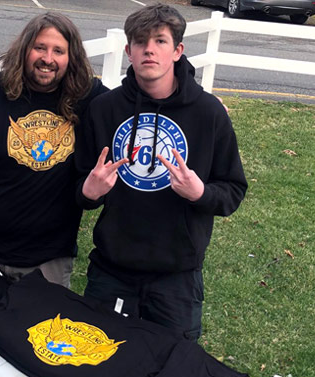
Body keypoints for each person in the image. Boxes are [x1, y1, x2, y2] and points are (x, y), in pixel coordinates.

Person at [76, 3, 248, 341]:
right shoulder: (104, 110)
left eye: (160, 41)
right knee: (98, 365)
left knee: (170, 373)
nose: (149, 49)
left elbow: (232, 191)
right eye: (140, 42)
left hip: (177, 276)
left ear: (178, 50)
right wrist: (88, 192)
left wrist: (200, 193)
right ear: (128, 51)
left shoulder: (208, 114)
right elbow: (77, 185)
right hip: (112, 270)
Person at [0, 12, 107, 287]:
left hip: (49, 259)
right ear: (25, 49)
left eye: (58, 51)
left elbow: (127, 107)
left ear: (71, 57)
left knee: (42, 330)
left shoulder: (87, 97)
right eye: (40, 47)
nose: (48, 58)